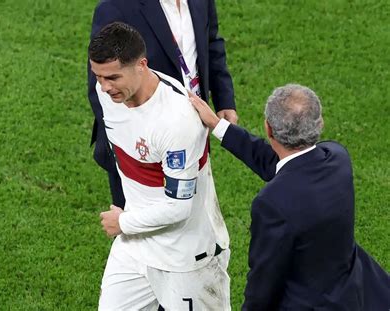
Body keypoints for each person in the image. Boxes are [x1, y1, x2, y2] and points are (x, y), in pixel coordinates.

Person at [189, 84, 390, 310]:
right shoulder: (336, 157)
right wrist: (218, 126)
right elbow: (282, 164)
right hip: (356, 294)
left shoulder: (272, 203)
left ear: (268, 129)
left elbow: (264, 282)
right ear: (320, 124)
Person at [89, 22, 231, 310]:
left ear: (141, 65)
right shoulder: (108, 93)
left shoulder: (176, 121)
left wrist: (124, 222)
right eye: (99, 76)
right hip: (135, 248)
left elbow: (179, 207)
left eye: (113, 77)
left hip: (186, 259)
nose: (104, 87)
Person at [87, 0, 238, 210]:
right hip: (139, 149)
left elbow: (211, 42)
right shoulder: (115, 7)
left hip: (192, 125)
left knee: (193, 211)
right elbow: (102, 83)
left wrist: (224, 99)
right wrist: (140, 149)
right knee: (137, 227)